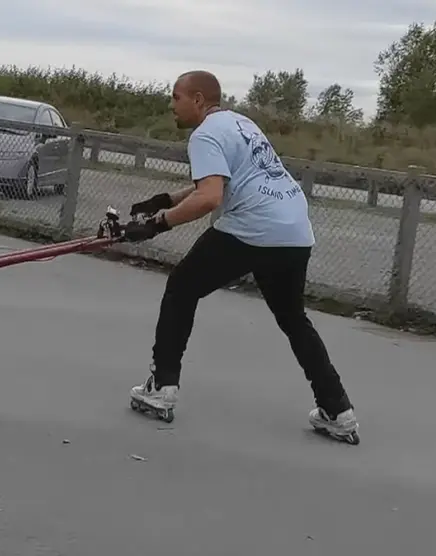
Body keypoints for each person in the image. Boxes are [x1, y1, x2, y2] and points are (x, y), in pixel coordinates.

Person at [120, 70, 358, 441]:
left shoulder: (204, 135)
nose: (171, 105)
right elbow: (221, 181)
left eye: (176, 97)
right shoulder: (241, 124)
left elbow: (210, 197)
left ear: (198, 100)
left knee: (182, 288)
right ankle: (338, 410)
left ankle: (162, 387)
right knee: (293, 319)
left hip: (253, 226)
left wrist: (157, 224)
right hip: (294, 229)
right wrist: (164, 200)